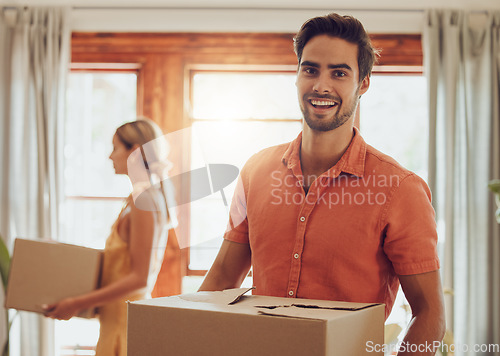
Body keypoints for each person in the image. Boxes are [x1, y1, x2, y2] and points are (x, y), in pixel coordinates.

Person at [199, 13, 445, 355]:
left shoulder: (401, 189)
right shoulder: (255, 171)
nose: (321, 86)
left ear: (364, 83)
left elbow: (429, 311)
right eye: (310, 69)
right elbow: (223, 277)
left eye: (339, 73)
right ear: (297, 75)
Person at [45, 118, 174, 356]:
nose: (109, 156)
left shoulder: (143, 199)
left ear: (134, 151)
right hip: (115, 321)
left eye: (115, 148)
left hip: (125, 326)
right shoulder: (136, 198)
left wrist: (76, 303)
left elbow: (140, 279)